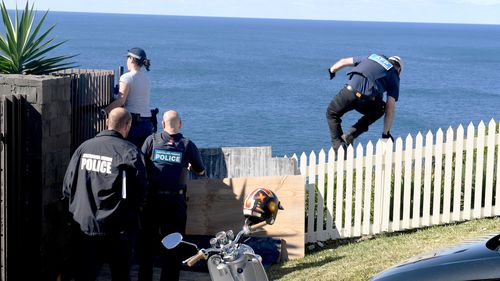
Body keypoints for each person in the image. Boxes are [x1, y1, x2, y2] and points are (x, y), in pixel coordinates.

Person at [62, 108, 148, 281]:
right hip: (118, 228)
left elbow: (67, 187)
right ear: (127, 126)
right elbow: (141, 192)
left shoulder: (84, 148)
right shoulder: (130, 152)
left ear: (107, 122)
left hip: (85, 224)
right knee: (120, 274)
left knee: (85, 274)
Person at [138, 110, 205, 281]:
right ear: (180, 124)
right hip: (175, 203)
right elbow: (201, 170)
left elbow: (139, 165)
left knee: (147, 245)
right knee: (174, 245)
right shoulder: (187, 144)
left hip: (152, 201)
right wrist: (188, 167)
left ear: (162, 124)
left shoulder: (151, 140)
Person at [326, 54, 404, 152]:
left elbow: (343, 61)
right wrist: (385, 134)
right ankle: (352, 134)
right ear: (399, 70)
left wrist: (332, 71)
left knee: (332, 113)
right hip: (367, 101)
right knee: (381, 109)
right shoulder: (394, 75)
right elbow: (390, 108)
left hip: (349, 92)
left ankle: (338, 146)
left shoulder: (372, 57)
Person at [104, 47, 153, 147]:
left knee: (128, 152)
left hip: (132, 123)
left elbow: (121, 101)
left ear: (131, 59)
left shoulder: (126, 77)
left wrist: (104, 111)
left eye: (128, 58)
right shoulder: (146, 79)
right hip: (147, 122)